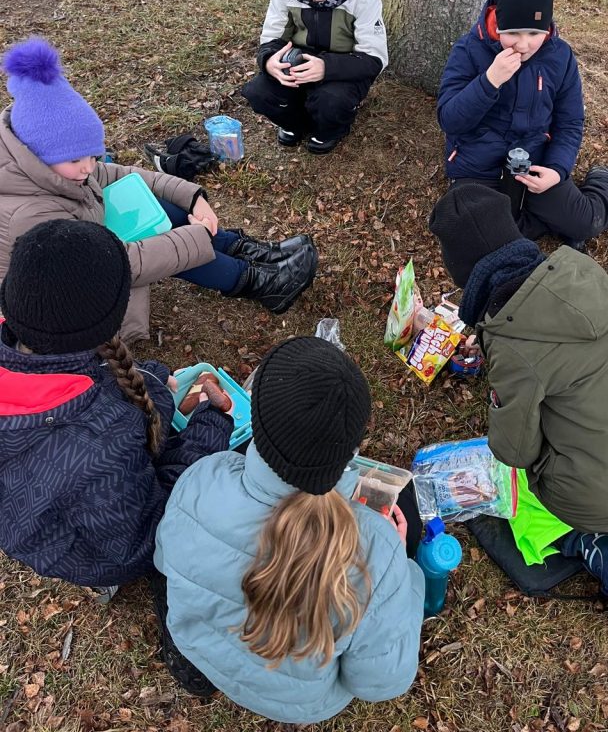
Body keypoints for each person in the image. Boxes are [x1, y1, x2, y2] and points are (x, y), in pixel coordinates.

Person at [429, 184, 608, 642]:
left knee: (508, 483)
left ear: (465, 272)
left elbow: (514, 450)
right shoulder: (581, 273)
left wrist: (500, 393)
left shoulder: (513, 341)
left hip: (599, 495)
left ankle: (593, 549)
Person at [154, 337, 425, 719]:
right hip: (300, 703)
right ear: (350, 452)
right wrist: (405, 572)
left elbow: (164, 563)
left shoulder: (200, 479)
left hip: (199, 649)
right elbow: (381, 681)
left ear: (253, 420)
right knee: (409, 511)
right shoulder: (376, 551)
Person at [0, 37, 317, 341]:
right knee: (161, 241)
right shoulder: (29, 215)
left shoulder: (53, 168)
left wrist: (191, 197)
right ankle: (258, 282)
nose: (87, 167)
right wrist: (194, 236)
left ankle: (243, 250)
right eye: (76, 160)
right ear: (38, 154)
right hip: (69, 313)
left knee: (152, 203)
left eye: (92, 155)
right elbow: (117, 265)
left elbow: (120, 175)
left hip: (86, 246)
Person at [0, 219, 232, 590]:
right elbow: (146, 537)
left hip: (32, 519)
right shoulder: (104, 442)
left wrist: (154, 380)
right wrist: (211, 427)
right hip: (99, 554)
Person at [437, 0, 608, 246]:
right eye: (513, 33)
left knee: (582, 223)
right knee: (481, 237)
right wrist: (490, 81)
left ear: (547, 28)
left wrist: (556, 169)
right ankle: (533, 221)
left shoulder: (559, 56)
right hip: (479, 166)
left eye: (534, 33)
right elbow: (450, 120)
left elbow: (570, 122)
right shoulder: (469, 50)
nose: (524, 44)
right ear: (499, 24)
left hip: (534, 163)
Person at [242, 0, 388, 155]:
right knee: (259, 92)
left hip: (345, 68)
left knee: (331, 101)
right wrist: (268, 61)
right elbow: (271, 36)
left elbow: (375, 59)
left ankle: (329, 131)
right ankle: (294, 124)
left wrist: (326, 67)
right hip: (298, 63)